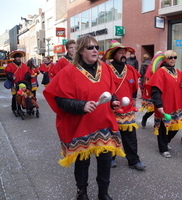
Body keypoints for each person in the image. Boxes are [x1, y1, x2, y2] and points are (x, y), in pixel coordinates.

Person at [43, 35, 125, 200]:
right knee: (82, 163)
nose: (95, 50)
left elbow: (111, 92)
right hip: (81, 125)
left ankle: (103, 193)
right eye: (90, 47)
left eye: (96, 47)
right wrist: (82, 105)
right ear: (80, 51)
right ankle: (82, 192)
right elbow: (59, 99)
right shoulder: (69, 71)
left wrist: (114, 102)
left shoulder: (106, 68)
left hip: (104, 124)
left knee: (105, 161)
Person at [102, 40, 145, 170]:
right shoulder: (106, 69)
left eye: (124, 52)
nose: (123, 54)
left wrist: (132, 101)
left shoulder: (131, 69)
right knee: (111, 135)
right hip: (111, 108)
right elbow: (103, 87)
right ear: (114, 54)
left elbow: (133, 88)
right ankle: (110, 158)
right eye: (120, 52)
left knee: (130, 137)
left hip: (127, 110)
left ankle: (133, 160)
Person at [147, 50, 182, 158]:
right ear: (165, 59)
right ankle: (163, 148)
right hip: (165, 104)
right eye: (170, 57)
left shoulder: (178, 72)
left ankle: (166, 142)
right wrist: (159, 106)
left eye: (175, 57)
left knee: (176, 126)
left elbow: (178, 85)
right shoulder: (160, 72)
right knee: (163, 127)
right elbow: (155, 91)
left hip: (178, 104)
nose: (173, 59)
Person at [4, 50, 29, 117]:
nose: (18, 58)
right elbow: (7, 73)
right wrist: (11, 77)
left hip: (22, 84)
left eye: (19, 57)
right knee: (15, 96)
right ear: (14, 58)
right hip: (14, 83)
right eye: (17, 57)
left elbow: (27, 72)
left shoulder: (24, 65)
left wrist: (27, 76)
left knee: (23, 95)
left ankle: (23, 107)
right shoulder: (10, 65)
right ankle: (14, 108)